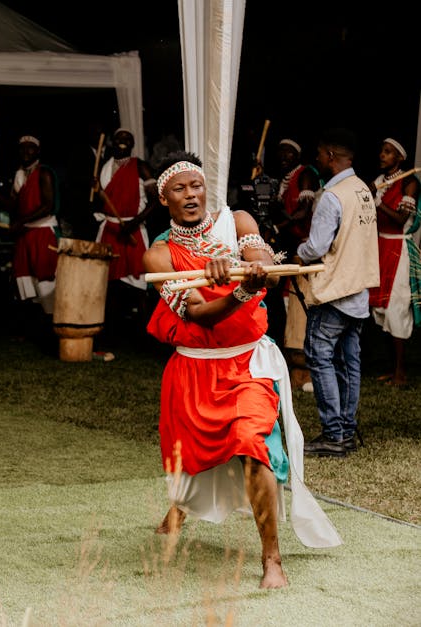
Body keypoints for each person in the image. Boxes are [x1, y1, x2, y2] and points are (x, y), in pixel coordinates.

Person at [144, 151, 341, 589]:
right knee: (189, 455)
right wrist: (235, 293)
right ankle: (178, 509)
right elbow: (197, 314)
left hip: (247, 364)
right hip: (194, 370)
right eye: (180, 188)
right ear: (165, 199)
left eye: (196, 185)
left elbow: (263, 265)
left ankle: (272, 560)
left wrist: (253, 269)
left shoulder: (237, 222)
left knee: (253, 445)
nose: (191, 194)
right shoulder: (158, 255)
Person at [297, 128, 379, 457]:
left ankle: (334, 434)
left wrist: (297, 251)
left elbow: (316, 246)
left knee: (320, 358)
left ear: (331, 156)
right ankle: (345, 429)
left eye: (319, 154)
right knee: (349, 363)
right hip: (358, 290)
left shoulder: (332, 195)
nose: (316, 159)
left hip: (334, 290)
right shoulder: (362, 189)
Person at [92, 128, 158, 346]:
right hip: (109, 229)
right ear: (112, 140)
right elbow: (99, 200)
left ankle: (146, 335)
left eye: (128, 139)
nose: (123, 141)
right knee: (108, 284)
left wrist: (135, 222)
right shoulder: (104, 167)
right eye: (119, 137)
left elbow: (155, 201)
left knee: (138, 286)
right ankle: (108, 333)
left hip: (134, 229)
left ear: (133, 144)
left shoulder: (141, 166)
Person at [367, 137, 421, 387]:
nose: (382, 155)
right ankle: (392, 369)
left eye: (388, 152)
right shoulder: (381, 182)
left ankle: (401, 372)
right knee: (381, 310)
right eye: (382, 151)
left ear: (400, 158)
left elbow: (400, 220)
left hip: (399, 247)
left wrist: (377, 202)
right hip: (380, 246)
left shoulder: (409, 182)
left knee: (396, 308)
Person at [0, 135, 60, 340]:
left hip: (42, 231)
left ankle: (53, 329)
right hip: (25, 233)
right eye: (22, 149)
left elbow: (48, 206)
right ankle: (30, 330)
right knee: (23, 279)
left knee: (45, 278)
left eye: (30, 149)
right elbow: (13, 206)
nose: (25, 152)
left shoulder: (44, 173)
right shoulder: (19, 175)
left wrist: (22, 221)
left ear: (37, 152)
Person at [272, 139, 321, 386]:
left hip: (308, 248)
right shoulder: (285, 179)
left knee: (304, 306)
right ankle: (293, 366)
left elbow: (304, 210)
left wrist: (278, 226)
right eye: (280, 152)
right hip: (292, 247)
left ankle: (308, 367)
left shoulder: (305, 175)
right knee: (288, 304)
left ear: (298, 154)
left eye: (289, 151)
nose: (283, 156)